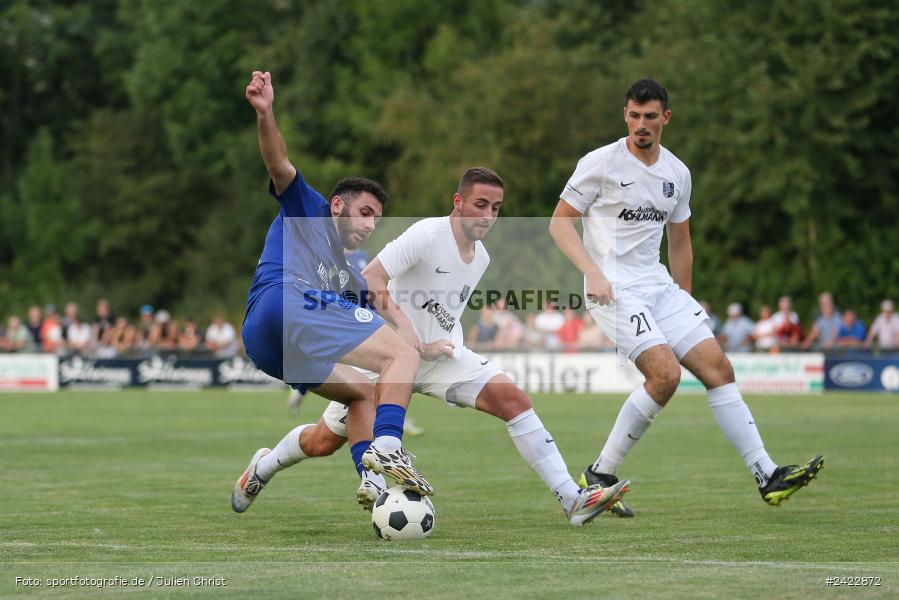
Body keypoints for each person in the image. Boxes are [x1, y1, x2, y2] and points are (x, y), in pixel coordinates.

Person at [240, 167, 630, 526]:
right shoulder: (426, 233)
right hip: (389, 359)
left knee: (513, 400)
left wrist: (436, 344)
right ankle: (264, 466)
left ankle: (572, 500)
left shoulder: (482, 258)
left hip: (439, 358)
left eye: (496, 208)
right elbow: (371, 278)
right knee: (322, 441)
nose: (488, 215)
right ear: (457, 202)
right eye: (480, 204)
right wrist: (408, 335)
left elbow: (444, 309)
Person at [549, 78, 822, 514]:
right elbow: (560, 223)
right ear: (625, 115)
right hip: (613, 289)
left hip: (659, 288)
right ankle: (602, 472)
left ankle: (767, 475)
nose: (642, 125)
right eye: (634, 116)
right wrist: (591, 272)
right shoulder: (599, 163)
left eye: (650, 117)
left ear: (666, 118)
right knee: (666, 377)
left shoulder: (677, 173)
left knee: (719, 368)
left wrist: (685, 302)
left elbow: (680, 243)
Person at [231, 70, 430, 515]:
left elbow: (376, 299)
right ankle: (390, 448)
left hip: (267, 345)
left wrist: (419, 335)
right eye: (364, 212)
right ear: (338, 205)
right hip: (282, 302)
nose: (368, 224)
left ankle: (367, 481)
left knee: (360, 394)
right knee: (401, 358)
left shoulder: (346, 273)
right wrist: (266, 114)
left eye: (376, 219)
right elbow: (278, 164)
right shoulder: (312, 210)